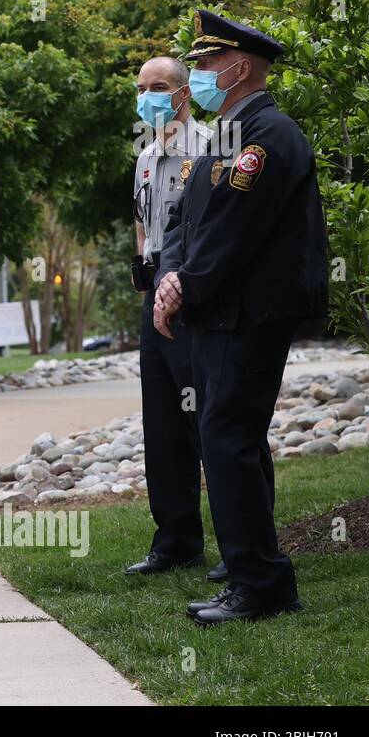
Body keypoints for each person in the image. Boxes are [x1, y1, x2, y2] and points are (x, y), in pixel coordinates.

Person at [154, 10, 328, 625]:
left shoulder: (267, 137)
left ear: (241, 66)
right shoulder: (225, 138)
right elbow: (183, 220)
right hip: (219, 312)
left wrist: (185, 285)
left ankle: (259, 583)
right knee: (228, 440)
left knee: (228, 440)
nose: (197, 75)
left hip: (247, 315)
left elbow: (233, 233)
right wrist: (171, 275)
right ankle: (254, 574)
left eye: (204, 64)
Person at [123, 55, 224, 582]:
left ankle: (238, 545)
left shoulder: (212, 148)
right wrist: (148, 271)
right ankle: (177, 541)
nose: (147, 98)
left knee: (211, 421)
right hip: (154, 293)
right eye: (140, 88)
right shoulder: (144, 156)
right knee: (162, 423)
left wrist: (179, 283)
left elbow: (212, 229)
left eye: (157, 87)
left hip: (196, 295)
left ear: (183, 95)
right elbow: (143, 224)